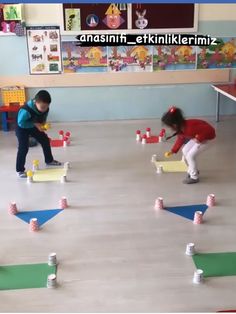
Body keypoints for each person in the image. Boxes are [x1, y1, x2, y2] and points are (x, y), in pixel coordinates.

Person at [161, 106, 216, 184]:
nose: (170, 128)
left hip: (208, 139)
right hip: (197, 138)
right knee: (185, 150)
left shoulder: (190, 127)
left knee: (190, 156)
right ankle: (193, 170)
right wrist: (173, 151)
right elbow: (180, 139)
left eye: (170, 126)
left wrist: (199, 138)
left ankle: (194, 177)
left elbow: (210, 130)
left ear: (174, 124)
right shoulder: (181, 128)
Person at [16, 90, 61, 178]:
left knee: (45, 140)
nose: (44, 109)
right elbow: (21, 123)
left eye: (46, 106)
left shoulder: (46, 108)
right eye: (42, 107)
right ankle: (20, 170)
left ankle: (49, 160)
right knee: (23, 147)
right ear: (36, 102)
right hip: (22, 128)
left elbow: (43, 118)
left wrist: (43, 125)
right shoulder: (26, 110)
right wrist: (35, 124)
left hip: (33, 126)